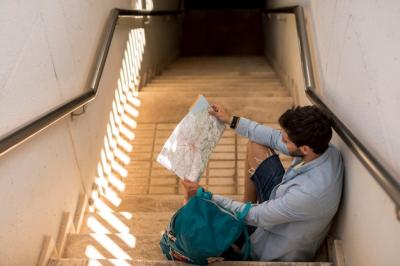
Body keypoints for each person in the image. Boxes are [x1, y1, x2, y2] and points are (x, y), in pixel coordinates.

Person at [181, 104, 344, 262]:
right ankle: (247, 203)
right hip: (283, 202)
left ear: (305, 149)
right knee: (256, 144)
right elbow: (272, 137)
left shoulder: (308, 194)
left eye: (286, 141)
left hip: (274, 246)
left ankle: (243, 238)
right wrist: (230, 119)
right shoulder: (326, 150)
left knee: (203, 224)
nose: (281, 140)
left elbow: (255, 215)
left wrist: (207, 195)